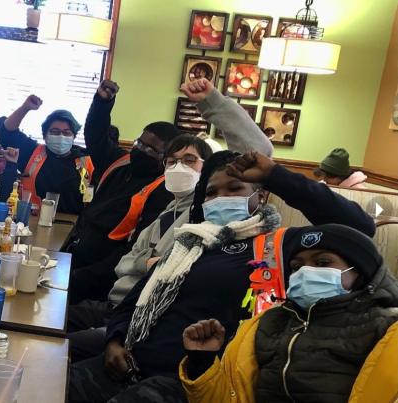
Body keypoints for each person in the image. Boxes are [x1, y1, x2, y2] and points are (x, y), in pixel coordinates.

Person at [68, 150, 375, 403]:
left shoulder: (279, 245)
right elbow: (134, 301)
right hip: (129, 362)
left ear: (261, 196)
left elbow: (358, 229)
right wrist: (115, 340)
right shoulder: (190, 243)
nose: (221, 199)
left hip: (191, 381)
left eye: (234, 189)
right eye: (212, 193)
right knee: (47, 380)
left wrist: (276, 176)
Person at [65, 79, 274, 364]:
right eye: (171, 161)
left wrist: (212, 102)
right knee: (50, 316)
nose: (178, 167)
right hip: (118, 304)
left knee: (60, 348)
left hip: (143, 321)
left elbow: (257, 150)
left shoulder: (205, 213)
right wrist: (147, 261)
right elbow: (128, 262)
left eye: (189, 161)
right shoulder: (168, 208)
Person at [181, 224, 397, 403]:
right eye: (296, 267)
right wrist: (203, 362)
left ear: (360, 270)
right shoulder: (264, 325)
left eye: (322, 263)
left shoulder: (387, 330)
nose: (305, 272)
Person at [64, 80, 180, 305]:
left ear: (166, 157)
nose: (140, 151)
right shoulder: (120, 161)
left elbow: (132, 251)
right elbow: (96, 135)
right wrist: (102, 103)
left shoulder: (162, 193)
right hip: (76, 255)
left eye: (151, 150)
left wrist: (80, 277)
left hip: (101, 281)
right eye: (139, 143)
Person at [0, 95, 93, 215]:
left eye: (67, 133)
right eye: (55, 131)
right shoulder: (32, 152)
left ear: (73, 137)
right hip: (30, 224)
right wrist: (25, 108)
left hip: (73, 228)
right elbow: (6, 133)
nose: (61, 136)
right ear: (45, 136)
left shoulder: (87, 161)